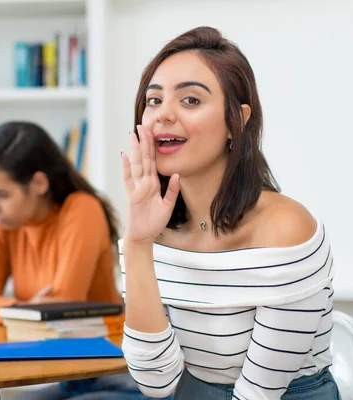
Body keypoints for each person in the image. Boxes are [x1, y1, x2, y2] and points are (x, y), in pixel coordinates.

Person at [119, 26, 339, 400]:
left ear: (236, 121)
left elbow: (260, 393)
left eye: (190, 100)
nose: (163, 115)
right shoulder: (149, 227)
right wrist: (137, 243)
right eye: (153, 101)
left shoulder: (287, 231)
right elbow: (156, 383)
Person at [0, 121, 166, 400]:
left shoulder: (82, 209)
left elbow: (63, 303)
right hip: (60, 369)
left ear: (38, 183)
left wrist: (18, 310)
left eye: (0, 194)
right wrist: (23, 309)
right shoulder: (5, 223)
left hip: (109, 373)